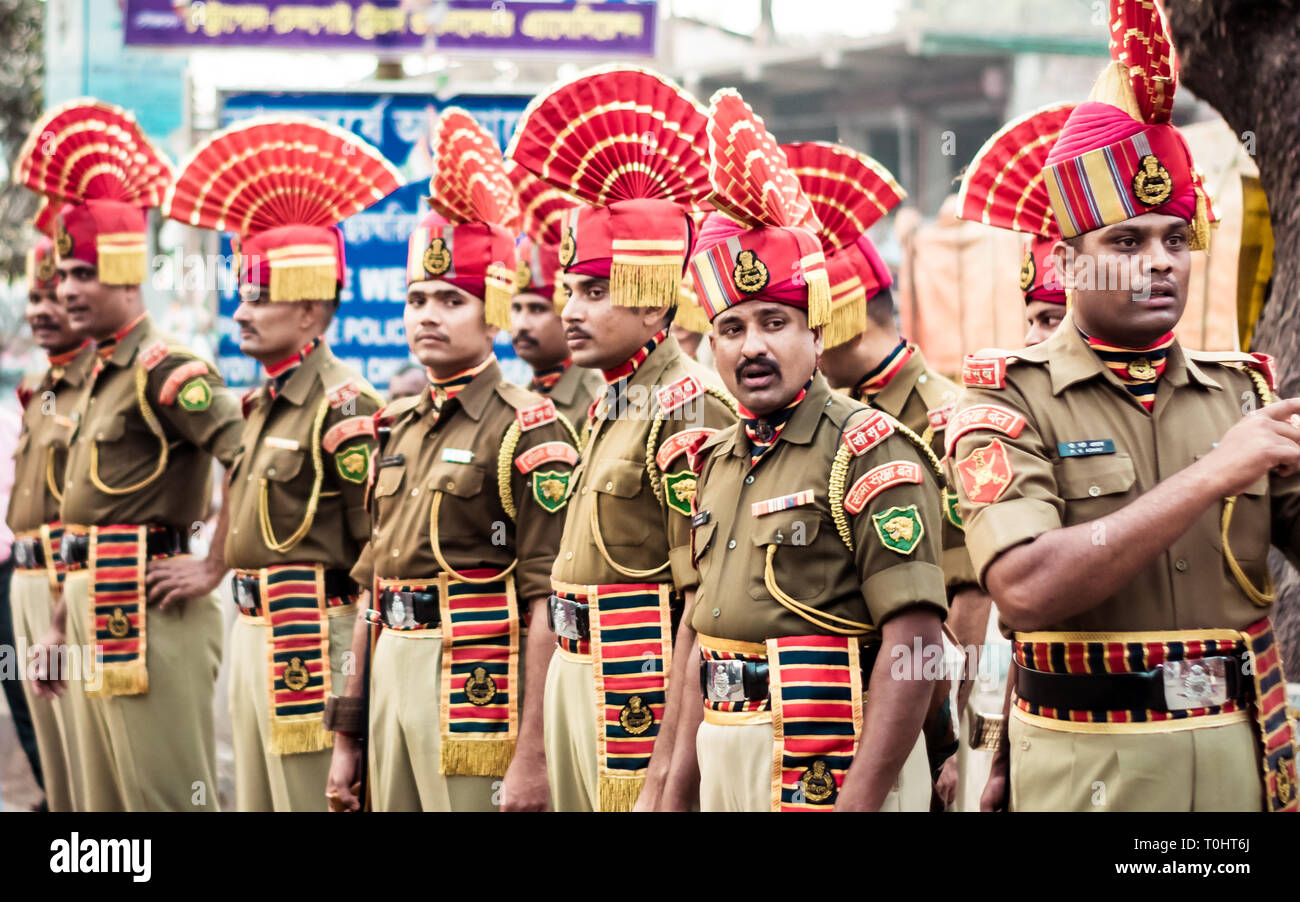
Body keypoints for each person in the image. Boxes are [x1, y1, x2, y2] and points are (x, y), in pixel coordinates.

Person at [950, 0, 1298, 812]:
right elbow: (1027, 588)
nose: (1160, 264)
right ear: (1068, 261)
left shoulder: (1242, 393)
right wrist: (1215, 472)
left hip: (1237, 770)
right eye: (1126, 242)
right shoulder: (1004, 399)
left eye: (1176, 240)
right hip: (1085, 776)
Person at [649, 90, 947, 812]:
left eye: (775, 322)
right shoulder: (713, 461)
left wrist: (860, 802)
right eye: (732, 328)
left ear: (818, 333)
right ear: (710, 344)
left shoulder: (869, 452)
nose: (753, 345)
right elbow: (702, 639)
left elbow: (916, 645)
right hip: (727, 756)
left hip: (834, 769)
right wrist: (674, 792)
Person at [324, 109, 578, 812]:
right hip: (390, 680)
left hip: (474, 688)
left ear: (493, 311)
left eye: (450, 300)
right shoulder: (396, 426)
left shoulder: (530, 428)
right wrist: (348, 736)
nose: (428, 315)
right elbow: (371, 592)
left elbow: (546, 604)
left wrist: (533, 755)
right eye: (416, 300)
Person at [509, 66, 737, 811]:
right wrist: (532, 752)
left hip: (636, 706)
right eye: (570, 289)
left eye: (594, 291)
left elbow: (700, 613)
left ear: (651, 299)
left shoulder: (691, 407)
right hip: (578, 680)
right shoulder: (613, 401)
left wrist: (667, 778)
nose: (569, 309)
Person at [163, 118, 400, 810]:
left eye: (259, 299)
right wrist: (213, 565)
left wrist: (354, 704)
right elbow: (239, 481)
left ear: (309, 311)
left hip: (317, 637)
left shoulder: (347, 406)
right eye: (242, 295)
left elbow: (375, 555)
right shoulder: (259, 401)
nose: (240, 314)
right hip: (252, 628)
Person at [16, 99, 243, 811]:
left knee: (165, 799)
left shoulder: (166, 368)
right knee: (95, 806)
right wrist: (57, 624)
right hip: (83, 601)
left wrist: (214, 560)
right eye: (62, 276)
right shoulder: (91, 378)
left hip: (152, 607)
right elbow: (76, 518)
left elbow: (249, 454)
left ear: (123, 269)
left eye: (84, 274)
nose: (68, 291)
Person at [790, 141, 968, 805]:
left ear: (836, 319)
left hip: (923, 718)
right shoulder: (831, 417)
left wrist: (960, 742)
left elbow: (970, 602)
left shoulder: (945, 419)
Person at [947, 102, 1076, 809]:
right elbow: (981, 592)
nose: (1041, 338)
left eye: (1057, 320)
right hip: (1004, 694)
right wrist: (965, 733)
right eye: (1036, 319)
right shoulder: (997, 413)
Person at [4, 233, 92, 812]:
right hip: (25, 573)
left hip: (80, 580)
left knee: (89, 741)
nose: (41, 309)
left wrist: (205, 561)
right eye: (33, 298)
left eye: (54, 294)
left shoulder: (103, 386)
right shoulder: (39, 393)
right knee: (36, 718)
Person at [504, 161, 605, 426]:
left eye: (537, 309)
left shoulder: (600, 399)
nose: (522, 324)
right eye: (517, 308)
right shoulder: (519, 397)